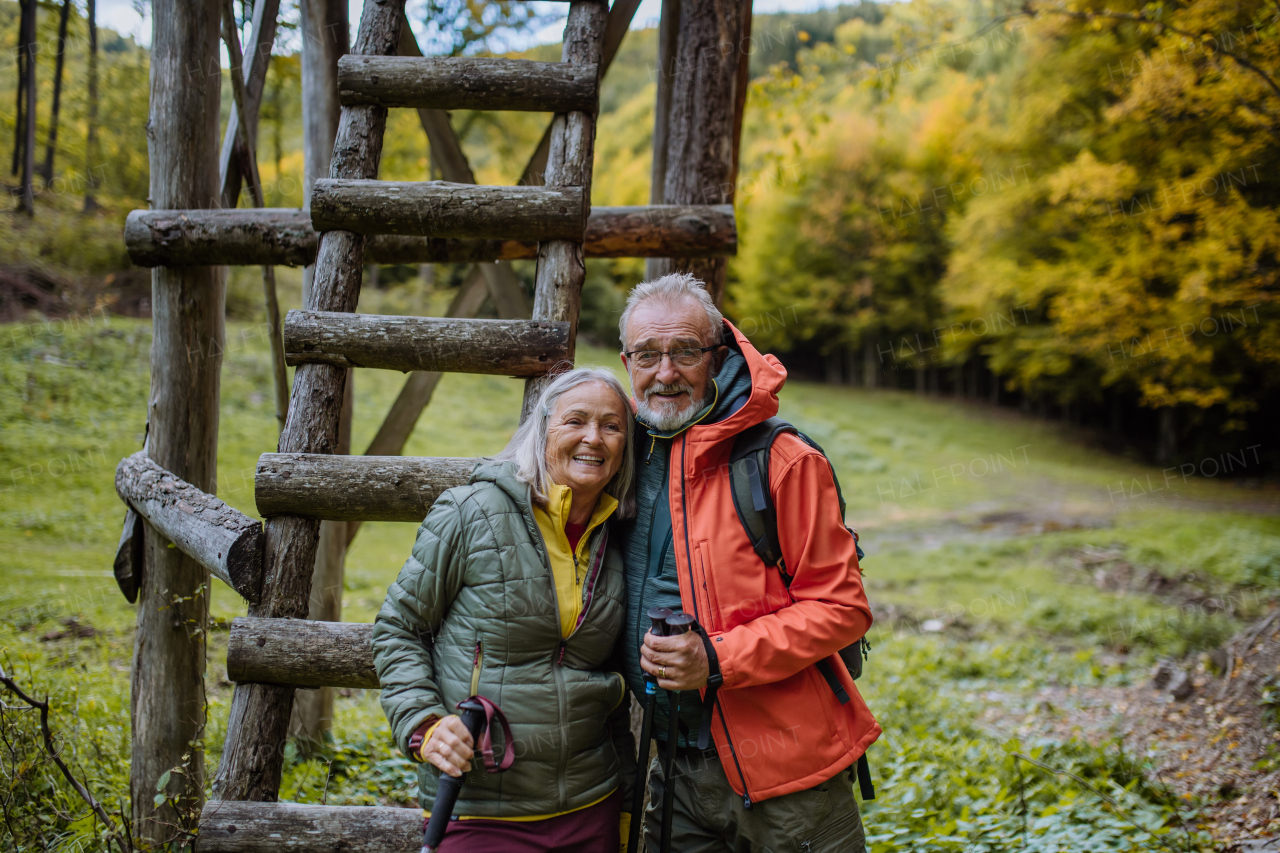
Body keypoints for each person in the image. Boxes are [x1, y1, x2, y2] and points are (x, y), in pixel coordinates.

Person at [616, 273, 880, 852]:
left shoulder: (781, 459)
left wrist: (715, 657)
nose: (666, 373)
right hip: (674, 770)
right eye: (648, 354)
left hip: (789, 781)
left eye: (685, 351)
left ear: (716, 356)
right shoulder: (624, 456)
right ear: (626, 361)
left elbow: (842, 608)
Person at [372, 367, 639, 853]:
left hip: (591, 801)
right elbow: (400, 628)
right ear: (542, 429)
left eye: (611, 426)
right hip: (481, 805)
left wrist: (624, 803)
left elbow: (612, 679)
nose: (593, 439)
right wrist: (424, 723)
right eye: (575, 420)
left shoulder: (620, 538)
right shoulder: (470, 512)